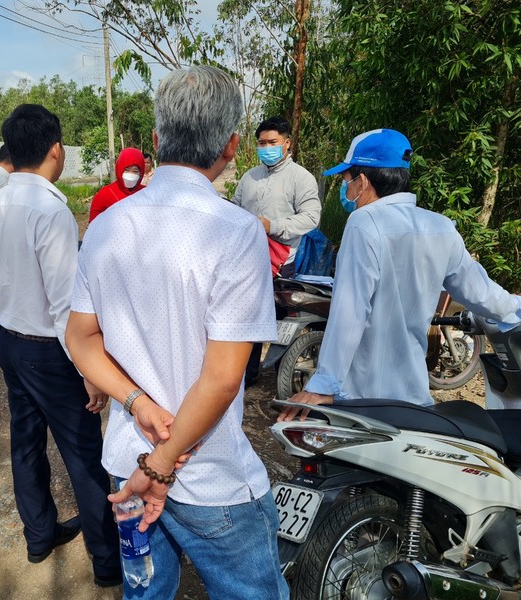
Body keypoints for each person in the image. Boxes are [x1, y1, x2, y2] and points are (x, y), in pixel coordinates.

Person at [66, 66, 288, 600]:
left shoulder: (106, 227)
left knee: (146, 593)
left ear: (158, 139)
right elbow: (221, 379)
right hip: (208, 475)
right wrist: (161, 466)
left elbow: (80, 339)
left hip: (128, 461)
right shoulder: (235, 231)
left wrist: (135, 402)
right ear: (233, 146)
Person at [0, 104, 122, 587]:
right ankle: (106, 561)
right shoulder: (51, 210)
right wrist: (89, 370)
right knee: (82, 451)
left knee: (27, 442)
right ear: (55, 149)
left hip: (11, 344)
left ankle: (39, 535)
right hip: (49, 350)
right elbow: (64, 307)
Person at [280, 128, 521, 422]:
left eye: (346, 180)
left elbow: (350, 312)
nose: (347, 190)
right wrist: (515, 310)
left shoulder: (363, 223)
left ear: (363, 180)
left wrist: (323, 383)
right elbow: (482, 294)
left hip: (362, 398)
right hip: (413, 396)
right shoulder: (441, 227)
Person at [233, 116, 321, 387]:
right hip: (248, 260)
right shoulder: (250, 177)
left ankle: (285, 372)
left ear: (286, 144)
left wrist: (274, 226)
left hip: (282, 261)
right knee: (248, 316)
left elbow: (311, 217)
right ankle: (247, 374)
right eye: (262, 143)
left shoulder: (301, 178)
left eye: (272, 142)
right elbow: (236, 208)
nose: (266, 147)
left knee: (282, 317)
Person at [88, 147, 145, 223]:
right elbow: (93, 225)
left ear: (141, 173)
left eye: (135, 171)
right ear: (119, 168)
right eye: (126, 170)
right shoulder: (104, 194)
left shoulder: (146, 193)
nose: (130, 174)